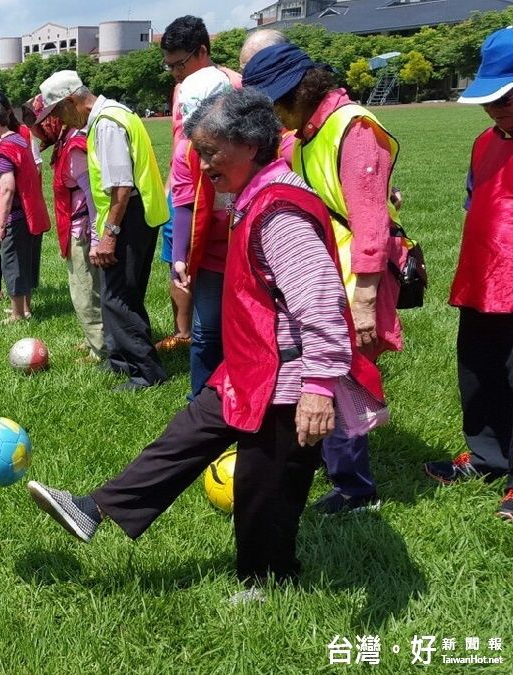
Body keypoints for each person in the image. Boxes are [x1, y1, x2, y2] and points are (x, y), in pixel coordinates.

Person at [27, 88, 382, 598]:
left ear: (250, 144)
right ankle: (95, 509)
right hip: (251, 366)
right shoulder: (254, 194)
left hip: (287, 376)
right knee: (185, 436)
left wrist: (319, 387)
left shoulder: (279, 211)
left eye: (212, 151)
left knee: (266, 487)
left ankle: (268, 579)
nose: (203, 162)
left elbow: (321, 303)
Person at [244, 44, 406, 515]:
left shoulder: (352, 127)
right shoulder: (307, 131)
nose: (274, 115)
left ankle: (356, 490)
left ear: (298, 91)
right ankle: (328, 460)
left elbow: (371, 220)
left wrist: (363, 299)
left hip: (357, 278)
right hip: (324, 273)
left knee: (341, 376)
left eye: (276, 102)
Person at [423, 27, 513, 521]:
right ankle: (487, 456)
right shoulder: (484, 143)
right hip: (483, 280)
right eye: (490, 99)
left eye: (506, 97)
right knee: (480, 376)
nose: (495, 108)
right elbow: (474, 203)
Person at [36, 70, 169, 389]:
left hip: (128, 217)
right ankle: (122, 363)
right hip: (133, 215)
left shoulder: (107, 124)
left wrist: (108, 236)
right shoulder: (113, 114)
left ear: (70, 101)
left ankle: (146, 373)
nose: (61, 121)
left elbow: (121, 188)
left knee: (119, 299)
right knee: (118, 295)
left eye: (58, 112)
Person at [161, 16, 241, 398]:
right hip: (209, 252)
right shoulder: (184, 152)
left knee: (247, 328)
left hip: (247, 250)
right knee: (207, 329)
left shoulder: (256, 147)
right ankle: (202, 403)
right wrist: (179, 258)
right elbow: (183, 203)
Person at [26, 94, 105, 364]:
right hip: (74, 228)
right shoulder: (65, 142)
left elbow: (93, 196)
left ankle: (101, 348)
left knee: (85, 291)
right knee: (82, 287)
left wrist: (95, 239)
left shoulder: (74, 148)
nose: (40, 130)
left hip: (82, 231)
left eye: (43, 123)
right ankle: (92, 337)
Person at [0, 98, 50, 324]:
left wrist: (0, 226)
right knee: (26, 262)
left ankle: (17, 315)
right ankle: (25, 308)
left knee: (13, 262)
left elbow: (7, 189)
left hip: (17, 217)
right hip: (33, 215)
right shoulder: (20, 140)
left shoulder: (3, 152)